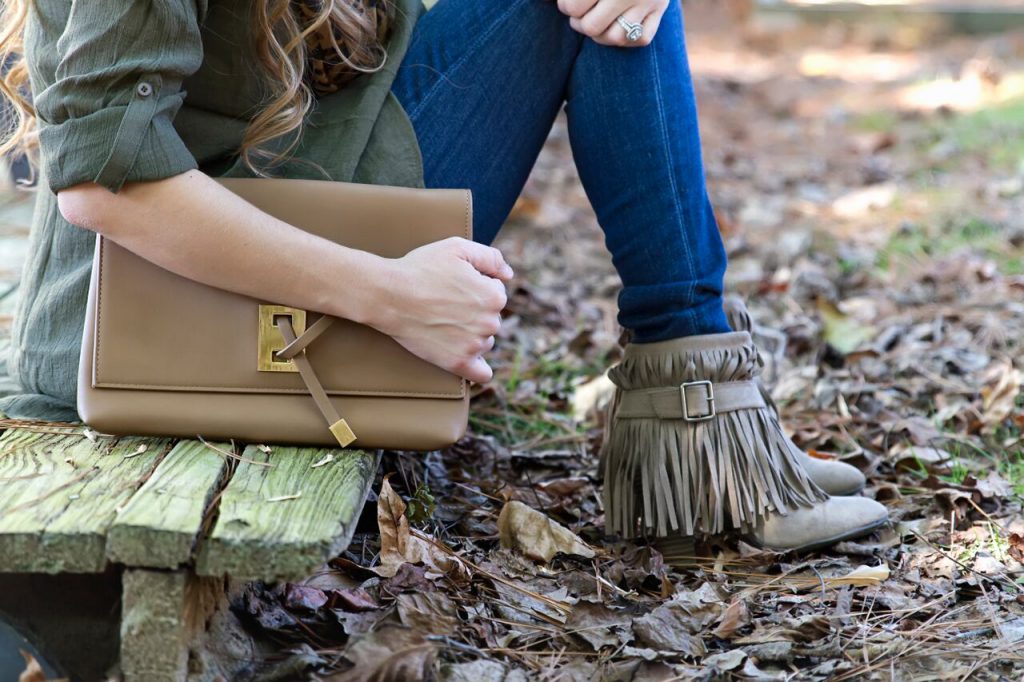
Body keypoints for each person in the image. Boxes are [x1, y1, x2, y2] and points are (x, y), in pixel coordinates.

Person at [0, 0, 887, 555]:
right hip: (144, 312)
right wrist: (393, 297)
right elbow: (102, 186)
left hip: (310, 171)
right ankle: (700, 443)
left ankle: (705, 432)